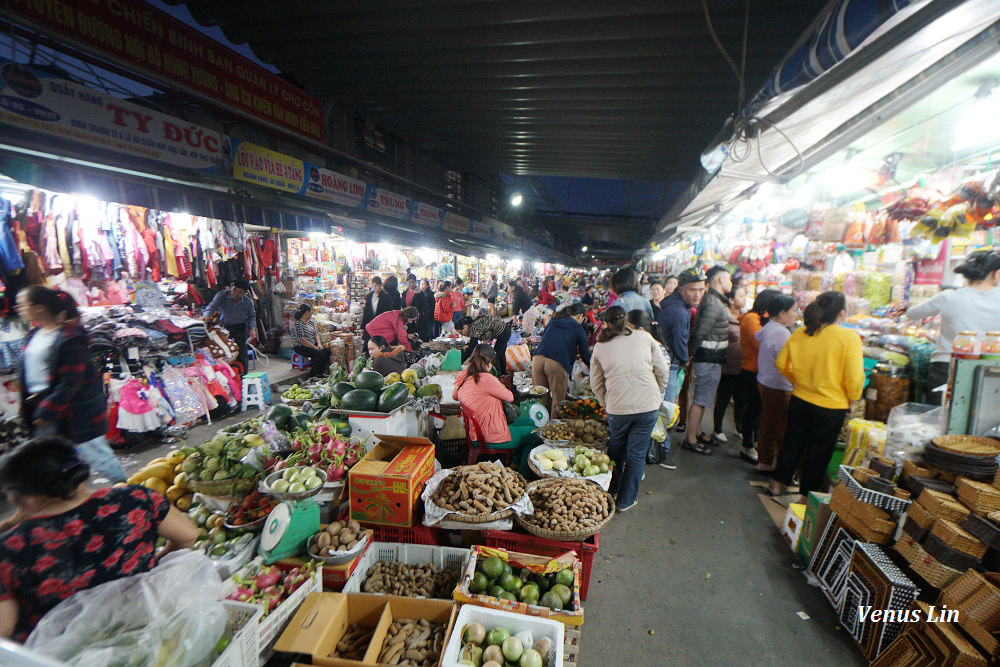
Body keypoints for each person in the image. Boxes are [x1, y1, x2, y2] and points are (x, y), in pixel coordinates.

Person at [0, 436, 199, 641]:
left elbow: (4, 628)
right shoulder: (136, 499)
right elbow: (188, 536)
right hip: (148, 633)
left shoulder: (12, 547)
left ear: (20, 496)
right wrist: (156, 564)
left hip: (66, 655)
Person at [16, 287, 125, 482]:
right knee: (58, 462)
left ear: (40, 308)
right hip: (42, 408)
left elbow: (71, 381)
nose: (18, 308)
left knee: (98, 456)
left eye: (23, 304)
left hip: (73, 410)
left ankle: (130, 491)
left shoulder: (71, 337)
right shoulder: (34, 335)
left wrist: (48, 410)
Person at [768, 292, 864, 502]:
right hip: (831, 406)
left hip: (800, 399)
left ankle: (777, 484)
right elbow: (855, 377)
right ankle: (805, 497)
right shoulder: (849, 338)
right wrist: (853, 398)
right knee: (818, 452)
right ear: (841, 312)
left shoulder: (801, 333)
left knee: (793, 442)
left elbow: (782, 364)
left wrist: (798, 380)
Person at [590, 306, 670, 512]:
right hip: (647, 406)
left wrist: (606, 403)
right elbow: (662, 369)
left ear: (605, 324)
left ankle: (611, 490)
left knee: (616, 450)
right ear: (625, 320)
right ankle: (625, 501)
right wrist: (657, 392)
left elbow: (596, 383)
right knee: (636, 454)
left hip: (618, 408)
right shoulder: (644, 338)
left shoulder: (600, 346)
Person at [906, 250, 1000, 405]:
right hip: (989, 368)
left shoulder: (948, 297)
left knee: (941, 415)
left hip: (946, 366)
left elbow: (912, 314)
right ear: (994, 273)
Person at [754, 294, 798, 473]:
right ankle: (780, 467)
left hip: (765, 381)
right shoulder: (781, 333)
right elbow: (788, 362)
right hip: (778, 385)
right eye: (794, 311)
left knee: (768, 422)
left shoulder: (769, 328)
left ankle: (764, 461)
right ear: (781, 313)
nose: (796, 315)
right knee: (781, 428)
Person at [738, 289, 780, 463]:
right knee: (753, 410)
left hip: (762, 371)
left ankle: (753, 444)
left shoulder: (762, 320)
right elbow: (761, 344)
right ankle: (747, 445)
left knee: (759, 411)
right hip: (751, 370)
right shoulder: (751, 319)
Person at [657, 269, 705, 404]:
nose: (698, 294)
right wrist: (685, 359)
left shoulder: (676, 305)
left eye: (701, 290)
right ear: (682, 289)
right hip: (670, 363)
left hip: (664, 359)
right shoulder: (679, 311)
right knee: (667, 406)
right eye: (693, 290)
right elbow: (680, 340)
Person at [453, 344, 516, 449]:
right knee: (531, 432)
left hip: (473, 434)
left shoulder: (463, 375)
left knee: (524, 423)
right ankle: (517, 464)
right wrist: (500, 385)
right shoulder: (488, 379)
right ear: (488, 364)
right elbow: (510, 397)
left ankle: (514, 463)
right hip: (490, 437)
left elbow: (455, 396)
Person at [532, 303, 591, 409]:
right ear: (580, 316)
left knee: (540, 399)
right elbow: (585, 354)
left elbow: (545, 338)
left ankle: (538, 424)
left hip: (537, 359)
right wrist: (595, 368)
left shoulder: (554, 320)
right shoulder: (577, 327)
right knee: (558, 402)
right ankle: (553, 424)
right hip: (556, 363)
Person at [712, 285, 748, 454]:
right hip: (726, 364)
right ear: (732, 299)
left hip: (743, 364)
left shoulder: (747, 316)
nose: (744, 298)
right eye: (741, 295)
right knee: (723, 398)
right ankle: (717, 429)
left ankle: (739, 427)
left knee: (741, 398)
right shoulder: (723, 315)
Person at [202, 278, 256, 372]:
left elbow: (252, 316)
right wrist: (206, 316)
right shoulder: (222, 295)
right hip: (224, 326)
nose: (235, 293)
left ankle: (243, 374)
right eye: (234, 289)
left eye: (240, 292)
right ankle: (227, 372)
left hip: (240, 327)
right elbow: (212, 306)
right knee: (222, 350)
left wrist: (252, 329)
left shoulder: (247, 302)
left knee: (242, 352)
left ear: (244, 293)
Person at [292, 304, 332, 378]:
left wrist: (319, 344)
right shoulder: (298, 324)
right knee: (319, 354)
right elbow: (301, 340)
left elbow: (316, 334)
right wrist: (314, 346)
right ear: (307, 313)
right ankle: (312, 375)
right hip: (300, 346)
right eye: (310, 312)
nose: (311, 314)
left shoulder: (310, 322)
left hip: (312, 343)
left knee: (327, 351)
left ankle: (321, 373)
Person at [361, 276, 391, 346]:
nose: (377, 288)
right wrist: (362, 327)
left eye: (379, 286)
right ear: (371, 285)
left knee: (378, 345)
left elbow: (388, 313)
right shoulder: (369, 296)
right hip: (370, 325)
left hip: (381, 326)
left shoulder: (386, 297)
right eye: (375, 285)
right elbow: (366, 312)